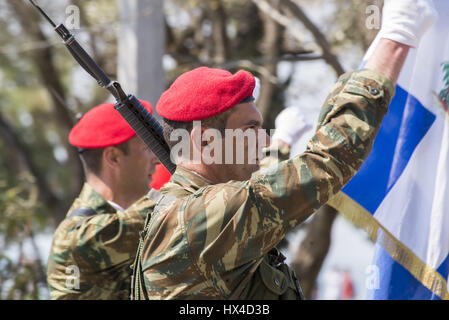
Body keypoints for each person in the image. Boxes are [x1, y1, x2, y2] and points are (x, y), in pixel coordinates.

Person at [130, 0, 437, 299]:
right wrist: (396, 38)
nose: (265, 141)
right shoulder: (201, 217)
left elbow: (266, 187)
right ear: (207, 142)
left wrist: (283, 144)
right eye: (250, 129)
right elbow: (327, 162)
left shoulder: (192, 211)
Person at [46, 100, 162, 300]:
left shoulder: (118, 218)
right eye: (146, 148)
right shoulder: (78, 236)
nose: (156, 159)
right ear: (114, 158)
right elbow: (161, 212)